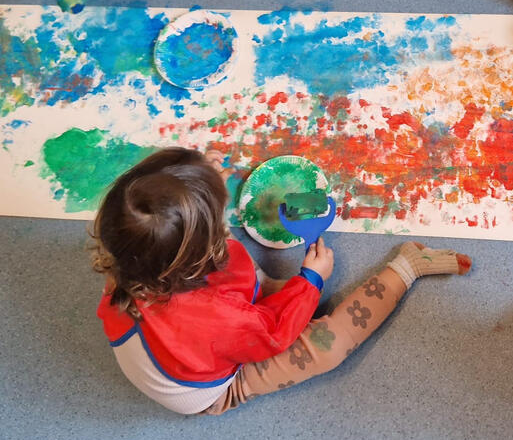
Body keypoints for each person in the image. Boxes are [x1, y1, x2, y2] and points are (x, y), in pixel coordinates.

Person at [90, 148, 471, 414]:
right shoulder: (217, 316)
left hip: (185, 335)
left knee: (253, 279)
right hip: (210, 388)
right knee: (327, 346)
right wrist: (311, 281)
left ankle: (275, 289)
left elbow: (177, 223)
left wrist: (201, 183)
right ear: (197, 260)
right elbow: (273, 332)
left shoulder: (132, 251)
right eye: (216, 220)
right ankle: (409, 266)